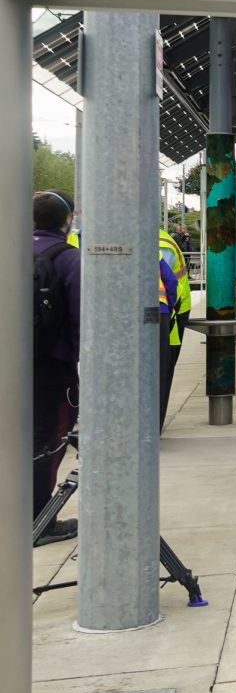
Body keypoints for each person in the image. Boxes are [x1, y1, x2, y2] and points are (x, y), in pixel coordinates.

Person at [32, 191, 81, 545]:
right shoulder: (69, 259)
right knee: (49, 439)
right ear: (67, 221)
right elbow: (85, 318)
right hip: (53, 366)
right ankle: (40, 519)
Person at [157, 227, 191, 426]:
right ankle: (154, 424)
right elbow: (169, 283)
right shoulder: (163, 241)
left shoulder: (163, 244)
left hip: (169, 314)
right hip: (168, 312)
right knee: (162, 371)